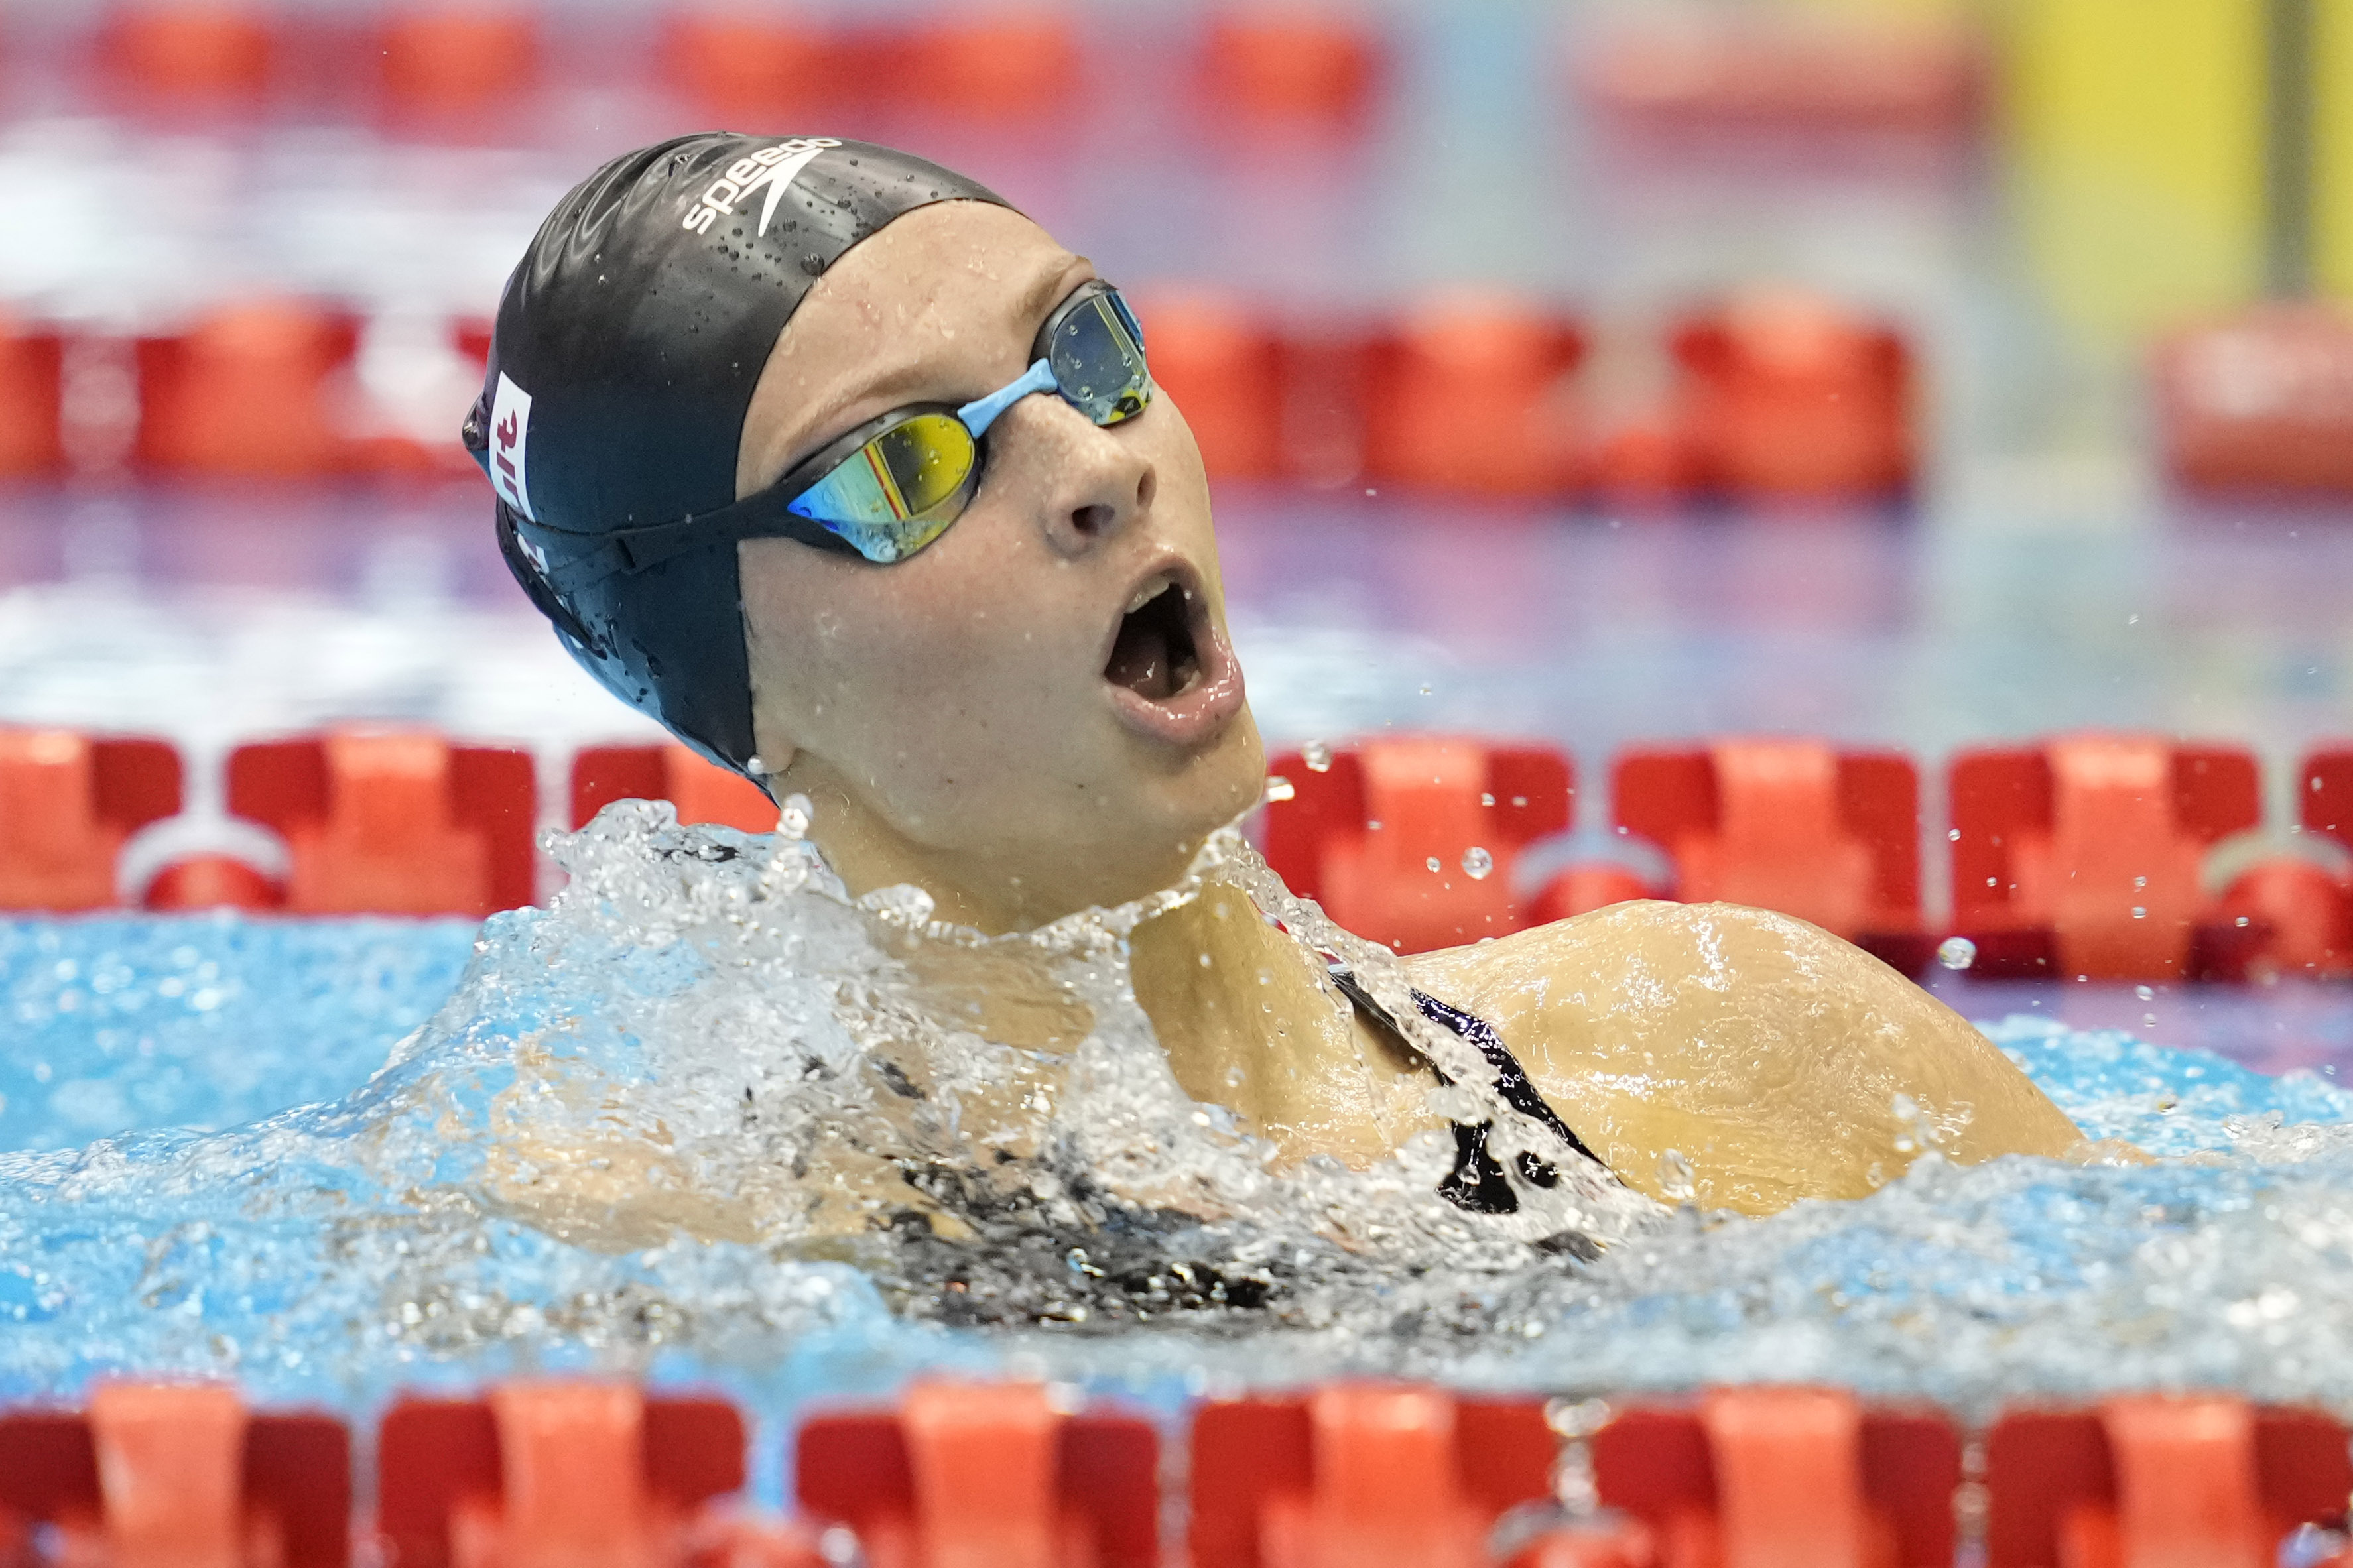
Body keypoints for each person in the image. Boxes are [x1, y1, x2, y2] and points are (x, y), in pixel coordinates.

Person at [468, 135, 2090, 1224]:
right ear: (746, 690)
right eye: (902, 468)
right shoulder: (679, 1252)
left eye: (1084, 350)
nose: (1094, 465)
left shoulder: (1741, 1040)